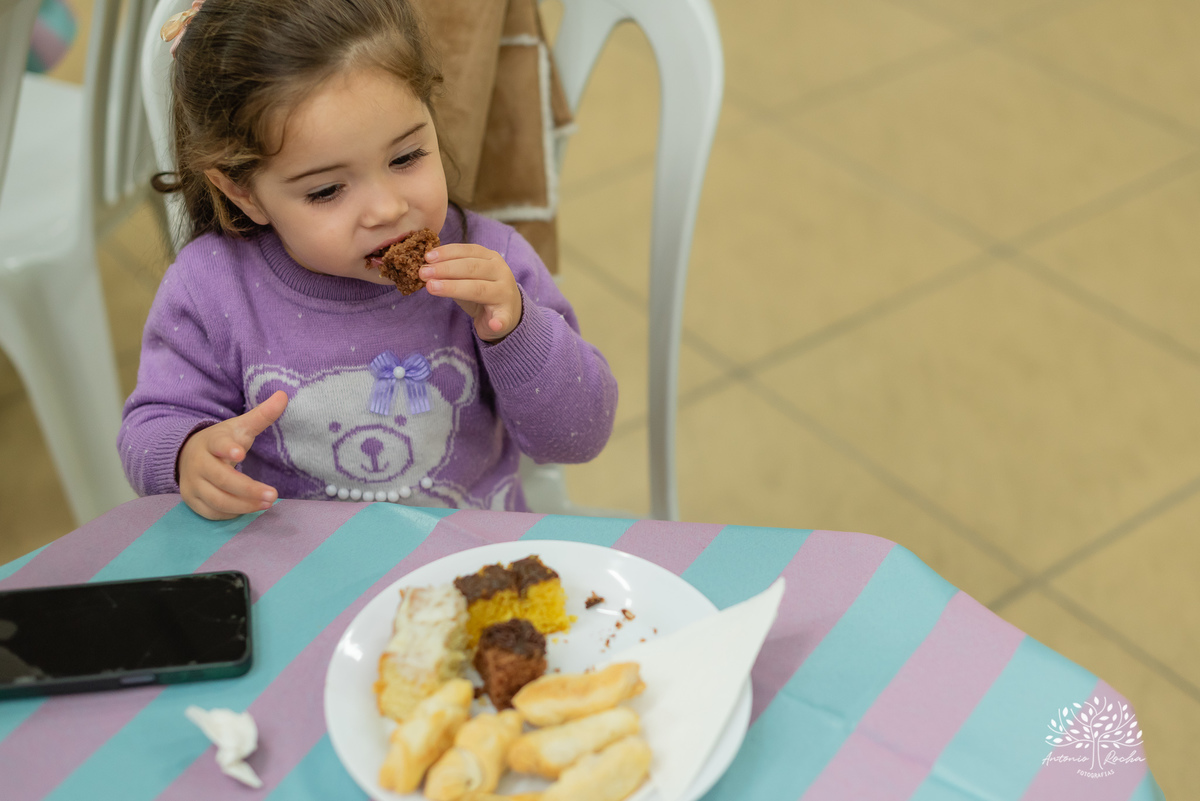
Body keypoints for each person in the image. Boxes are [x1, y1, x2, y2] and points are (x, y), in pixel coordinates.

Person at [118, 0, 617, 520]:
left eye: (405, 157)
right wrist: (186, 457)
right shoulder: (212, 290)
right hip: (299, 580)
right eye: (328, 190)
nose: (388, 209)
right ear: (244, 192)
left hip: (471, 566)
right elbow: (151, 425)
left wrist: (515, 331)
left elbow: (581, 437)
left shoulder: (494, 267)